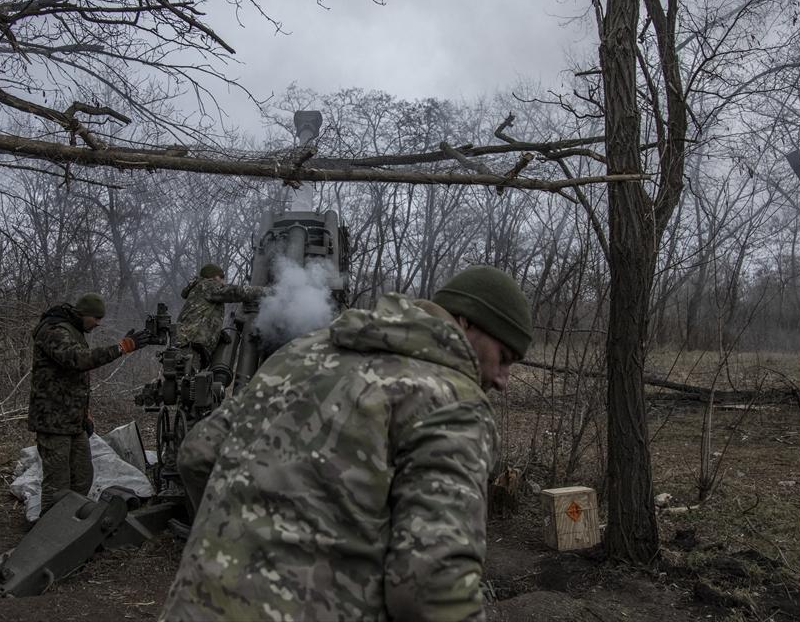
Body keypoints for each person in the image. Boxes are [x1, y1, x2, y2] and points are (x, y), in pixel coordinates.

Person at [160, 265, 533, 622]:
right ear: (466, 322)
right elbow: (433, 591)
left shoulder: (301, 352)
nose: (503, 380)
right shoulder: (452, 400)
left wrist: (231, 539)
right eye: (504, 358)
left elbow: (197, 453)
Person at [28, 291, 140, 514]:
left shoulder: (73, 330)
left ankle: (71, 527)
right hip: (52, 420)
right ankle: (49, 536)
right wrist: (121, 348)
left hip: (72, 419)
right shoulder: (54, 330)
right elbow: (78, 360)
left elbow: (74, 378)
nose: (98, 324)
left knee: (82, 477)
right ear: (83, 314)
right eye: (96, 318)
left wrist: (84, 412)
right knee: (57, 484)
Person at [175, 264, 266, 366]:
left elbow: (201, 319)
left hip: (191, 346)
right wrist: (266, 291)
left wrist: (217, 334)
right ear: (211, 277)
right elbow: (235, 292)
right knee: (185, 379)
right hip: (190, 347)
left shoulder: (200, 290)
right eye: (221, 277)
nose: (223, 281)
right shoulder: (206, 285)